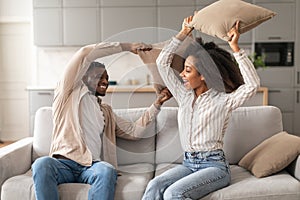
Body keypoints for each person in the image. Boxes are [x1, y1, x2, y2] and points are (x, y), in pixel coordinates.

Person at [31, 41, 172, 200]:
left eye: (107, 78)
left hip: (91, 167)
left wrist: (157, 103)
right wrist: (127, 47)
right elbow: (84, 53)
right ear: (83, 76)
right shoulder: (68, 94)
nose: (105, 81)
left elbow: (134, 131)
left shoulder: (105, 111)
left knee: (107, 170)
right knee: (41, 164)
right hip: (63, 164)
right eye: (100, 76)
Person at [141, 16, 260, 200]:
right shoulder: (183, 95)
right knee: (155, 185)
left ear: (203, 75)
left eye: (188, 70)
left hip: (215, 167)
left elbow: (252, 85)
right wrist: (184, 32)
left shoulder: (223, 101)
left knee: (174, 193)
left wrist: (235, 47)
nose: (181, 74)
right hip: (188, 163)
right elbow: (162, 63)